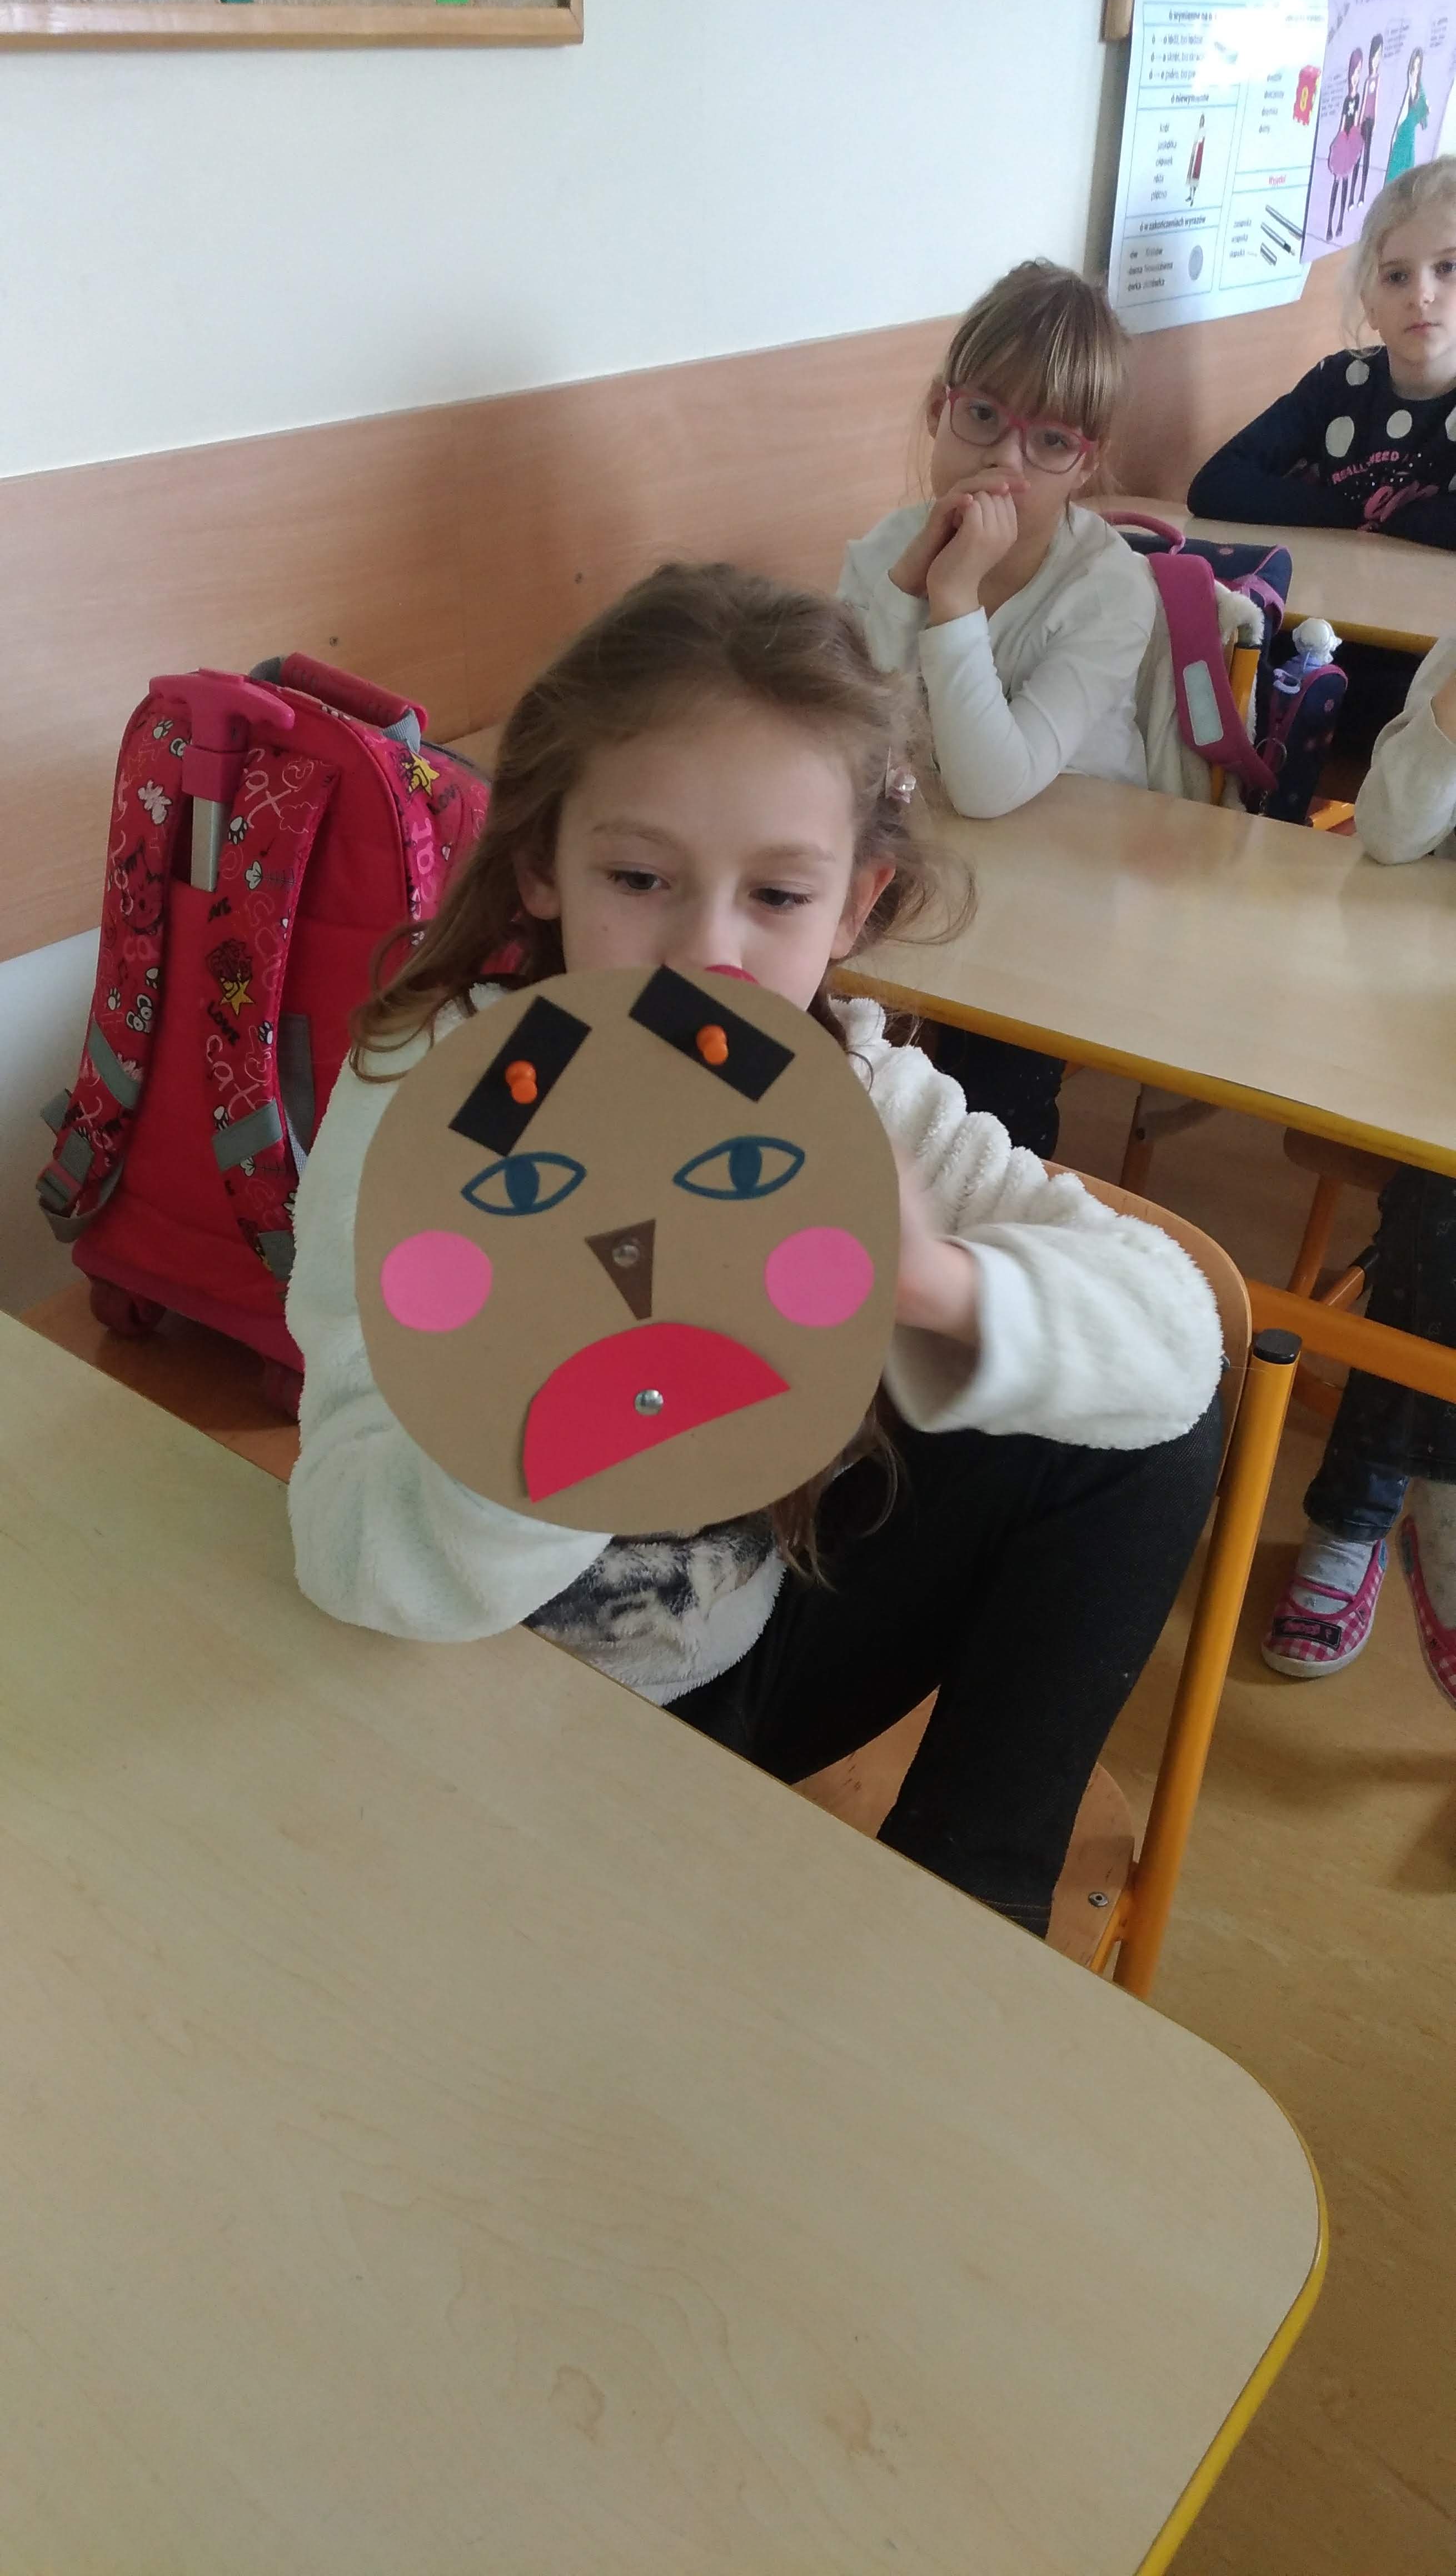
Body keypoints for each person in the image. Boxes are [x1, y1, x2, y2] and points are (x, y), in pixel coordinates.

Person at [287, 561, 1224, 1940]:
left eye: (777, 896)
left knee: (1134, 1419)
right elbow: (352, 1553)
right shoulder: (445, 1104)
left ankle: (971, 1903)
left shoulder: (846, 1084)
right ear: (542, 863)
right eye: (639, 878)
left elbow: (1177, 1341)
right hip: (478, 1713)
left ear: (855, 904)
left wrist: (936, 1285)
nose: (701, 955)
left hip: (743, 1660)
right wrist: (560, 1406)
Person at [838, 258, 1153, 1154]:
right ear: (938, 411)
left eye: (1049, 442)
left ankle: (987, 1205)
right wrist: (906, 584)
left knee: (997, 1088)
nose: (1005, 461)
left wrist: (951, 597)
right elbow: (843, 740)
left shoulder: (1108, 590)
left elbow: (987, 786)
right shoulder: (884, 552)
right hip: (926, 858)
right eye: (982, 417)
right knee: (835, 1018)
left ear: (1086, 463)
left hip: (1059, 890)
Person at [1264, 634, 1456, 1707]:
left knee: (1434, 1242)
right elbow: (1387, 835)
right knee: (1442, 1215)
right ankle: (1413, 1507)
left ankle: (1374, 1507)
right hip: (1434, 1029)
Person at [1189, 159, 1456, 547]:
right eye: (1397, 276)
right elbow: (1215, 485)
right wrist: (1353, 515)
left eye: (1447, 267)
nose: (1421, 296)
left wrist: (1390, 521)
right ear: (1370, 304)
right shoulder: (1337, 383)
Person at [1326, 49, 1364, 243]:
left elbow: (1355, 122)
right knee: (1336, 183)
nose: (1356, 77)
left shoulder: (1357, 99)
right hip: (1343, 141)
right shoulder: (1348, 100)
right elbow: (1343, 123)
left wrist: (1354, 143)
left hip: (1351, 142)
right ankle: (1329, 226)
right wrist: (1338, 143)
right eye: (1355, 72)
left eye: (1359, 72)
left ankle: (1340, 222)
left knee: (1345, 184)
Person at [1385, 46, 1429, 187]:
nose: (1415, 71)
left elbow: (1425, 112)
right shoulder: (1410, 88)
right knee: (1395, 169)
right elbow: (1403, 112)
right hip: (1402, 132)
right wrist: (1395, 134)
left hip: (1409, 134)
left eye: (1418, 67)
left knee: (1407, 168)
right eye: (1413, 67)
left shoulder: (1420, 91)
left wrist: (1424, 112)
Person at [1357, 33, 1383, 208]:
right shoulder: (1368, 81)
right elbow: (1365, 102)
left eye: (1379, 56)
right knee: (1358, 157)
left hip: (1371, 122)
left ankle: (1362, 194)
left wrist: (1374, 123)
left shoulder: (1377, 80)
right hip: (1363, 122)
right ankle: (1354, 195)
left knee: (1366, 157)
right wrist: (1359, 123)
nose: (1376, 60)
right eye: (1375, 56)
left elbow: (1375, 102)